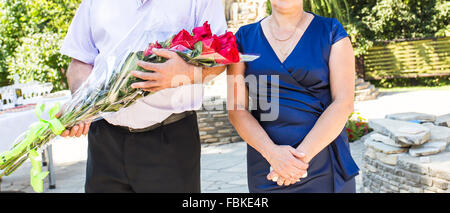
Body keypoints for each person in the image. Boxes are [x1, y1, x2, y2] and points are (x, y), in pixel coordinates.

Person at [59, 0, 227, 193]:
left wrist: (185, 74)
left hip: (170, 141)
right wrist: (81, 105)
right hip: (104, 141)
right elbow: (80, 60)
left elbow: (220, 60)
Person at [227, 0, 360, 192]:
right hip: (267, 165)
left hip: (322, 162)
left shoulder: (331, 32)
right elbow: (236, 108)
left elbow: (343, 103)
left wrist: (295, 163)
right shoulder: (243, 39)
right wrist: (274, 156)